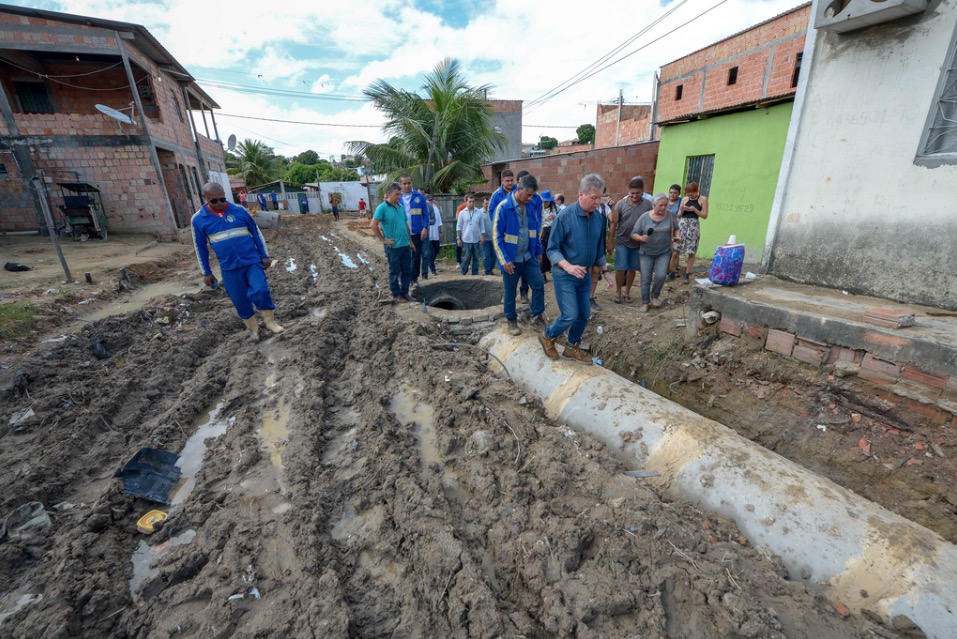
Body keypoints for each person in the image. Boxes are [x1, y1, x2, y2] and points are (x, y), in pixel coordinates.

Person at [192, 182, 283, 342]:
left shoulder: (239, 211)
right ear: (205, 198)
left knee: (261, 290)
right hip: (228, 267)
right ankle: (253, 330)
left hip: (251, 261)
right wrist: (206, 272)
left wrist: (264, 255)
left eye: (222, 199)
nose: (220, 203)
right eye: (214, 201)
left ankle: (270, 322)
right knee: (239, 299)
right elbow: (200, 248)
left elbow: (256, 233)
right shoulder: (199, 219)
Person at [540, 174, 614, 364]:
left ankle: (572, 347)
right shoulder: (565, 217)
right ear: (581, 194)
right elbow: (552, 249)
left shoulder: (597, 218)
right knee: (570, 315)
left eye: (600, 198)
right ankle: (548, 336)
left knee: (583, 314)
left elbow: (598, 250)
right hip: (565, 275)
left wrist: (605, 272)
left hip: (585, 276)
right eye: (594, 198)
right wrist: (569, 267)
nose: (598, 202)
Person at [492, 173, 546, 336]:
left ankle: (537, 315)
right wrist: (505, 260)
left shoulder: (530, 207)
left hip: (528, 257)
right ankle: (511, 319)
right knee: (510, 291)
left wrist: (538, 251)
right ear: (519, 189)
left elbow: (534, 231)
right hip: (511, 260)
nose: (530, 198)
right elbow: (497, 236)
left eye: (532, 196)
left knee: (538, 284)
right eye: (528, 195)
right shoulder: (503, 207)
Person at [631, 194, 681, 312]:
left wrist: (678, 237)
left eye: (665, 205)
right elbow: (633, 233)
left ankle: (655, 295)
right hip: (646, 253)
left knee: (661, 275)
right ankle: (645, 302)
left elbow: (677, 228)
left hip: (663, 252)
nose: (663, 208)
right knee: (646, 278)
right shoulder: (644, 217)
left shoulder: (670, 215)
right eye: (660, 205)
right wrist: (641, 238)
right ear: (653, 205)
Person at [608, 176, 652, 303]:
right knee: (620, 268)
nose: (634, 196)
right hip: (622, 241)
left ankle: (627, 292)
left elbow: (651, 221)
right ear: (628, 192)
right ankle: (618, 292)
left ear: (642, 192)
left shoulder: (647, 204)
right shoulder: (621, 204)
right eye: (632, 193)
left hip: (638, 244)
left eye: (637, 193)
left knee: (632, 269)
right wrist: (610, 241)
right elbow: (614, 222)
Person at [371, 182, 413, 303]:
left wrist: (410, 241)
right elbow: (373, 225)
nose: (399, 196)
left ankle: (405, 293)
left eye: (400, 194)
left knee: (407, 270)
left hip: (405, 245)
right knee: (394, 271)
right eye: (397, 194)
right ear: (389, 194)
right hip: (393, 247)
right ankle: (396, 294)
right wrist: (383, 240)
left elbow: (405, 225)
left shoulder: (400, 207)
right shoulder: (382, 208)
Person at [397, 174, 429, 286]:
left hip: (416, 232)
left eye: (408, 183)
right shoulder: (396, 197)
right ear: (400, 184)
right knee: (402, 257)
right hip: (401, 234)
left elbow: (426, 214)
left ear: (412, 183)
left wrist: (425, 228)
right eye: (404, 183)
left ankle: (414, 279)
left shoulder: (419, 197)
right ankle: (404, 278)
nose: (407, 185)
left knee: (416, 257)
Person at [676, 181, 709, 282]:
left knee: (691, 250)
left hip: (694, 226)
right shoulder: (685, 200)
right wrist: (681, 209)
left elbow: (704, 216)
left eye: (693, 194)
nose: (691, 196)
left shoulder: (703, 199)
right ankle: (673, 271)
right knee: (677, 248)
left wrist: (694, 210)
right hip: (683, 225)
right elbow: (678, 215)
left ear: (697, 191)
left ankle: (687, 273)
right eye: (689, 194)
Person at [588, 195, 612, 309]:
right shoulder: (585, 208)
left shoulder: (604, 208)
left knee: (596, 271)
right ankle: (584, 297)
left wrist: (612, 206)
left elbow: (614, 220)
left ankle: (591, 297)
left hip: (599, 242)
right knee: (587, 271)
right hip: (587, 244)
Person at [457, 193, 486, 275]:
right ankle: (463, 272)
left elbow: (482, 226)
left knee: (476, 257)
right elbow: (459, 226)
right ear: (466, 202)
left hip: (476, 239)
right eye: (470, 201)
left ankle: (475, 274)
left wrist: (483, 236)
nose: (471, 203)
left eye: (473, 201)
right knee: (466, 257)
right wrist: (458, 238)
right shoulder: (462, 213)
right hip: (466, 239)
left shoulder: (479, 213)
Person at [539, 190, 559, 282]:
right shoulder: (539, 208)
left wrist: (556, 218)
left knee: (552, 251)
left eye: (547, 201)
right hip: (543, 231)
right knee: (543, 252)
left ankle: (553, 271)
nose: (545, 203)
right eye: (544, 201)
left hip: (552, 230)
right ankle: (543, 274)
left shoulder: (555, 207)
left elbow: (561, 217)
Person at [666, 184, 682, 279]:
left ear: (679, 194)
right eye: (671, 192)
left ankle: (673, 270)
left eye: (675, 193)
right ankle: (665, 269)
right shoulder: (665, 201)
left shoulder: (680, 202)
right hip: (665, 228)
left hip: (676, 228)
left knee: (675, 251)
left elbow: (679, 215)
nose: (672, 195)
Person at [426, 195, 442, 276]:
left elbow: (439, 221)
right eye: (429, 200)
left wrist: (440, 232)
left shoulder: (435, 209)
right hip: (428, 234)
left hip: (435, 234)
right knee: (430, 252)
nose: (430, 201)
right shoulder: (424, 209)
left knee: (437, 250)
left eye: (431, 200)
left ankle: (429, 263)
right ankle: (432, 269)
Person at [480, 196, 496, 275]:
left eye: (489, 203)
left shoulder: (494, 212)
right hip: (484, 238)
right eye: (486, 203)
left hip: (494, 238)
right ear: (482, 204)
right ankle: (487, 271)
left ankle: (490, 269)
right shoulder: (479, 213)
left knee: (494, 256)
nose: (487, 205)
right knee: (486, 256)